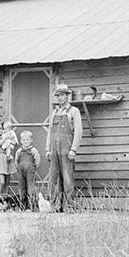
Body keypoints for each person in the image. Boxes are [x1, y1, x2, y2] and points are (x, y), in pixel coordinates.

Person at [46, 83, 83, 211]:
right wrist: (47, 149)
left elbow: (78, 131)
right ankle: (55, 206)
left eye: (62, 95)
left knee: (67, 177)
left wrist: (74, 149)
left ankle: (69, 206)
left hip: (67, 149)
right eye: (58, 95)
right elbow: (50, 132)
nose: (60, 98)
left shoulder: (73, 111)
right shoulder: (55, 112)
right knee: (54, 177)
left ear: (67, 96)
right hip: (54, 149)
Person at [0, 118, 18, 206]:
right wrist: (6, 138)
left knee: (7, 181)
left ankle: (4, 199)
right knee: (1, 181)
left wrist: (11, 141)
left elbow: (14, 142)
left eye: (0, 128)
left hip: (7, 157)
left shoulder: (6, 134)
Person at [14, 129, 41, 211]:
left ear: (31, 140)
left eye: (27, 140)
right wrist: (18, 169)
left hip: (30, 171)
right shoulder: (19, 151)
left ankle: (32, 206)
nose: (25, 141)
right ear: (21, 141)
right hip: (21, 171)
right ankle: (22, 206)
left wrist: (34, 169)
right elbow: (16, 160)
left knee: (31, 188)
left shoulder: (33, 150)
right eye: (23, 140)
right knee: (22, 187)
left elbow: (38, 161)